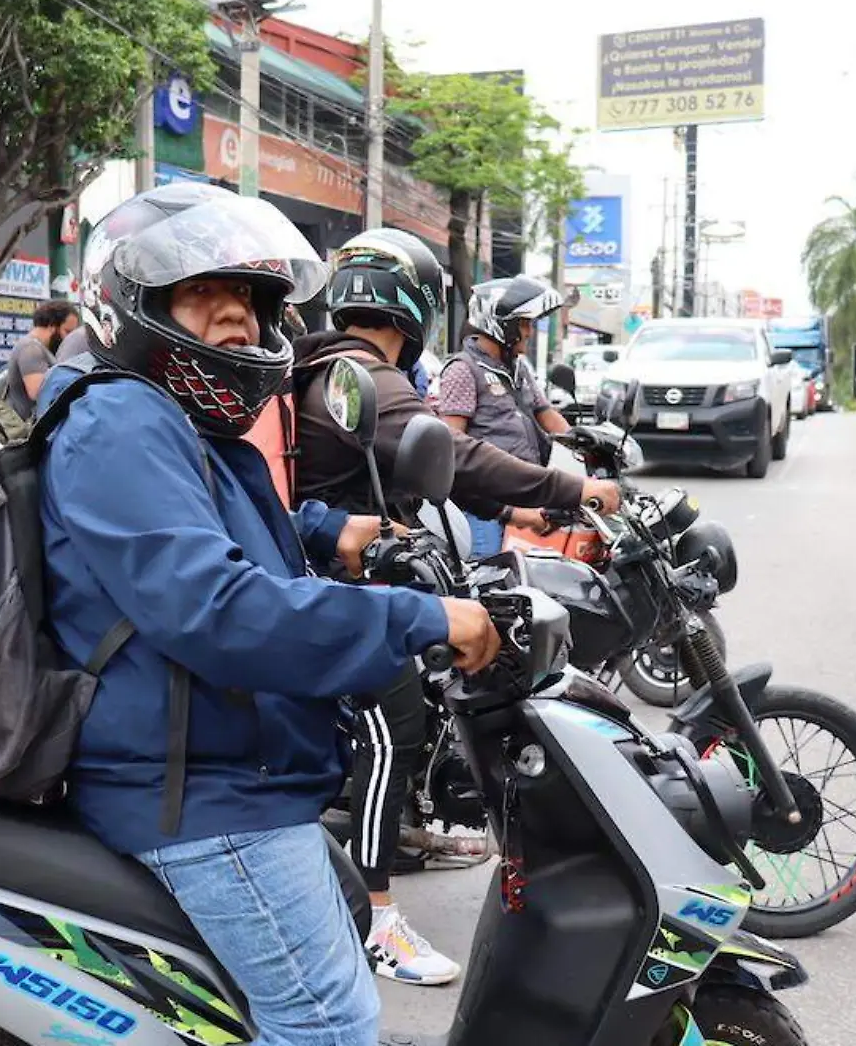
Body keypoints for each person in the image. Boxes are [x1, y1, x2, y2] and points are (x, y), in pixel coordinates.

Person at [36, 183, 502, 1046]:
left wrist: (337, 532)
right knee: (329, 1022)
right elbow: (215, 608)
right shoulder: (118, 418)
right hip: (203, 798)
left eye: (248, 299)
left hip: (232, 773)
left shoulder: (173, 423)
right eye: (201, 294)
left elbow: (222, 529)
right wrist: (420, 618)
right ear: (132, 306)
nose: (237, 321)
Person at [291, 228, 618, 987]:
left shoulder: (334, 364)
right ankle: (376, 919)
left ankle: (408, 832)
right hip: (332, 585)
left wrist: (531, 514)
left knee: (421, 698)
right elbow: (460, 457)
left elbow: (441, 470)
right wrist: (574, 491)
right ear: (414, 305)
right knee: (393, 719)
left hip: (354, 570)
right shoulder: (361, 373)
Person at [434, 275, 576, 551]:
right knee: (489, 582)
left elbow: (546, 414)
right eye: (524, 323)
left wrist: (584, 444)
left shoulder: (518, 369)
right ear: (501, 324)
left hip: (524, 494)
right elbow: (451, 446)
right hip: (484, 506)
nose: (529, 332)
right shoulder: (463, 369)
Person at [4, 300, 79, 418]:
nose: (69, 338)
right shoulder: (31, 349)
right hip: (27, 431)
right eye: (67, 331)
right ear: (52, 325)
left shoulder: (39, 349)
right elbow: (40, 393)